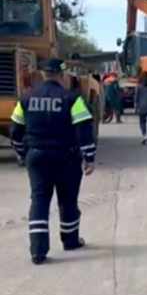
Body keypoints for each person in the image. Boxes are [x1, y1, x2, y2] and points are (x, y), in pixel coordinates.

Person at [9, 58, 95, 265]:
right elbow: (84, 129)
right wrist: (89, 157)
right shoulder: (72, 98)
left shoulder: (26, 98)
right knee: (68, 200)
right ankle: (70, 241)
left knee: (39, 200)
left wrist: (22, 153)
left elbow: (15, 131)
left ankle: (38, 251)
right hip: (66, 157)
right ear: (62, 75)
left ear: (43, 74)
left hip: (37, 156)